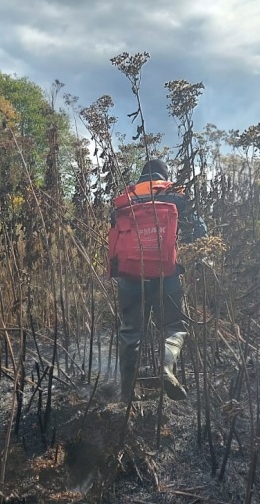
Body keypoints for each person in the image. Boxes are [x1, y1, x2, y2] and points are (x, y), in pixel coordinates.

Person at [109, 158, 206, 403]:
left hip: (130, 276)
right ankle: (165, 368)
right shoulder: (176, 194)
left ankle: (127, 395)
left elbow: (115, 232)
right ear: (164, 175)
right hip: (167, 275)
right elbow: (199, 231)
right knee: (174, 327)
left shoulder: (126, 197)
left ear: (142, 176)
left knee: (131, 333)